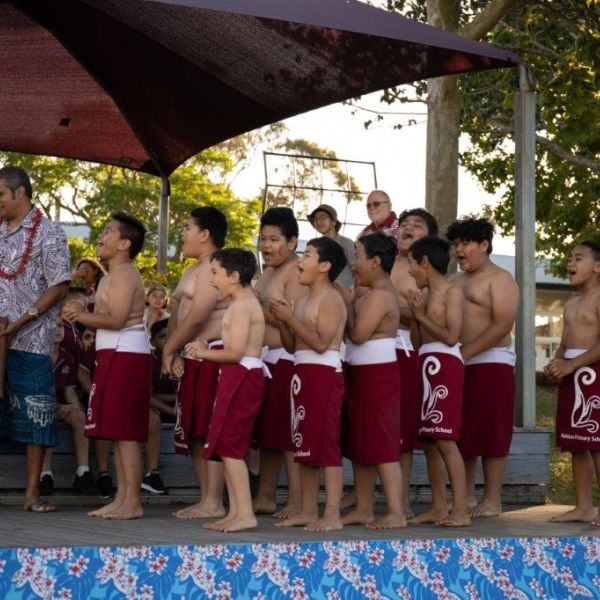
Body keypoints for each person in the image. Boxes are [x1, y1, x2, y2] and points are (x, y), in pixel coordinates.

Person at [64, 212, 151, 520]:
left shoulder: (127, 273)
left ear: (125, 243)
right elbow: (106, 319)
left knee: (126, 432)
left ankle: (132, 502)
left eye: (109, 231)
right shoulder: (111, 275)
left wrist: (81, 315)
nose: (101, 235)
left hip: (128, 355)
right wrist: (88, 325)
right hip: (113, 354)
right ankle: (122, 498)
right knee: (117, 431)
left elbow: (116, 319)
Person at [0, 166, 71, 513]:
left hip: (30, 339)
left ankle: (32, 493)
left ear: (20, 193)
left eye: (0, 194)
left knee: (37, 415)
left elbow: (59, 285)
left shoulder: (50, 233)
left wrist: (19, 322)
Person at [269, 237, 348, 531]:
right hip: (302, 375)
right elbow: (293, 346)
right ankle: (307, 509)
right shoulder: (302, 300)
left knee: (326, 444)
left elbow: (320, 343)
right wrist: (283, 322)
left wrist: (290, 317)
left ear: (325, 266)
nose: (301, 261)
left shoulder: (331, 299)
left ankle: (332, 514)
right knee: (302, 443)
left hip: (324, 375)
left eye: (308, 255)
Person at [185, 249, 266, 532]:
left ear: (234, 276)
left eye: (216, 274)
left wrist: (203, 353)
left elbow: (234, 352)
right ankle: (236, 511)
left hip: (243, 376)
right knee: (225, 446)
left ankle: (245, 513)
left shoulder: (245, 304)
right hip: (236, 376)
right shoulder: (239, 303)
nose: (212, 281)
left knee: (231, 447)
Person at [447, 215, 518, 518]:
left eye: (466, 244)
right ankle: (466, 496)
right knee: (463, 433)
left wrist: (466, 353)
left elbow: (503, 323)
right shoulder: (453, 281)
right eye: (456, 244)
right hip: (459, 361)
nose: (460, 250)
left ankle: (492, 498)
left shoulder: (500, 279)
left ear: (484, 245)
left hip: (492, 362)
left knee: (491, 433)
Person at [162, 207, 228, 519]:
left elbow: (200, 315)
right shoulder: (193, 270)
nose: (183, 234)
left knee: (209, 428)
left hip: (212, 354)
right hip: (191, 355)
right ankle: (206, 498)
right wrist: (172, 349)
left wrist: (168, 350)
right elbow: (179, 314)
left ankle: (214, 500)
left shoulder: (217, 268)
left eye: (188, 227)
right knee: (195, 430)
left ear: (205, 235)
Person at [340, 232, 405, 529]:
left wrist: (346, 306)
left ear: (376, 261)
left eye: (358, 257)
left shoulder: (381, 295)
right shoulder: (369, 294)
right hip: (359, 370)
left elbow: (357, 334)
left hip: (377, 375)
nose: (354, 264)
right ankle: (364, 508)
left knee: (381, 442)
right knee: (361, 443)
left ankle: (396, 511)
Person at [407, 236, 469, 527]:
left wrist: (421, 315)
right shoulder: (424, 296)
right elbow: (418, 343)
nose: (409, 272)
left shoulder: (452, 292)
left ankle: (460, 510)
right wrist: (416, 317)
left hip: (445, 364)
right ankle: (438, 506)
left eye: (411, 265)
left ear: (424, 262)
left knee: (445, 439)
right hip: (425, 362)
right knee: (430, 441)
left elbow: (451, 336)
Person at [253, 207, 306, 518]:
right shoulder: (268, 272)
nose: (267, 246)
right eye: (263, 239)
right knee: (269, 436)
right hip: (266, 361)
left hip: (288, 359)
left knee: (288, 436)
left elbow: (294, 323)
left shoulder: (296, 273)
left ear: (292, 242)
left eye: (274, 239)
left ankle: (298, 500)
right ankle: (266, 496)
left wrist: (253, 311)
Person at [544, 240, 600, 524]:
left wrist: (572, 364)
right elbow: (565, 342)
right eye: (570, 258)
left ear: (598, 266)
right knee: (577, 442)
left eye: (579, 258)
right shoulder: (571, 303)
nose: (571, 263)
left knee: (597, 442)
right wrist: (556, 362)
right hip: (571, 374)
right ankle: (583, 506)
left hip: (593, 373)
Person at [390, 208, 439, 518]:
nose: (407, 228)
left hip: (406, 347)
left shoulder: (425, 268)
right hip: (371, 348)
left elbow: (426, 311)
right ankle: (365, 495)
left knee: (403, 430)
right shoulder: (384, 259)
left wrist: (383, 305)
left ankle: (402, 500)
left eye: (416, 226)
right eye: (404, 224)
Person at [40, 317, 95, 495]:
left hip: (58, 403)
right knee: (46, 414)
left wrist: (76, 407)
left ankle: (83, 473)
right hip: (37, 404)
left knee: (80, 417)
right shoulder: (37, 354)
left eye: (58, 326)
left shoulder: (67, 355)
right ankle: (45, 475)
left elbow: (69, 389)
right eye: (51, 326)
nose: (56, 330)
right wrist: (55, 406)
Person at [143, 318, 178, 495]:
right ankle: (152, 473)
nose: (167, 340)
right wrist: (173, 409)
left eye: (170, 336)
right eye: (162, 337)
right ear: (152, 341)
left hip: (175, 407)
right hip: (160, 408)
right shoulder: (150, 360)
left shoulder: (180, 358)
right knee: (153, 417)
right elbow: (147, 395)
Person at [307, 204, 355, 289]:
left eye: (323, 218)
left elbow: (357, 270)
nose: (318, 222)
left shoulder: (346, 243)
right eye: (316, 219)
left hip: (344, 296)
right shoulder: (316, 245)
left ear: (333, 222)